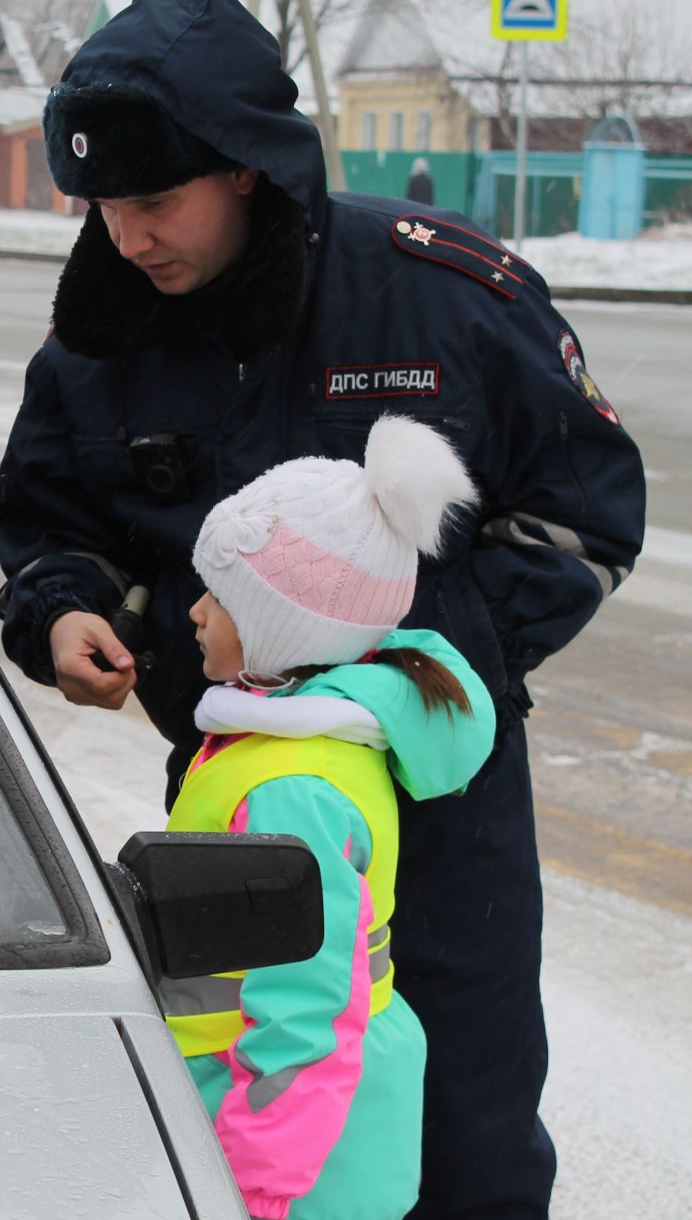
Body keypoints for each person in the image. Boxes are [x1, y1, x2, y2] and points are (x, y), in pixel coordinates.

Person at [0, 0, 645, 1220]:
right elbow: (52, 524)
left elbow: (586, 513)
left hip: (445, 805)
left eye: (153, 199)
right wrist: (66, 610)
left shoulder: (443, 298)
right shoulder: (104, 331)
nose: (127, 237)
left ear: (241, 167)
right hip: (242, 807)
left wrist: (390, 674)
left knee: (465, 1137)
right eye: (103, 206)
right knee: (255, 1129)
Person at [170, 416, 495, 1220]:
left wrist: (255, 1189)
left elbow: (307, 1012)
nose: (195, 612)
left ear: (285, 627)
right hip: (290, 1115)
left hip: (294, 1153)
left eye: (219, 595)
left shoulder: (295, 787)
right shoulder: (287, 732)